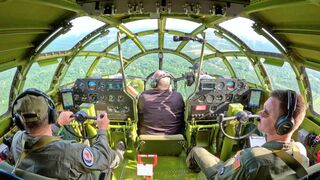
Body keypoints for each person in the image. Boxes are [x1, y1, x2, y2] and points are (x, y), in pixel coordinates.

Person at [186, 90, 309, 179]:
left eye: (266, 112)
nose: (260, 113)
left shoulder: (252, 158)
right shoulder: (302, 159)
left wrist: (237, 158)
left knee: (196, 150)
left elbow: (219, 178)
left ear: (283, 125)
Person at [9, 88, 124, 179]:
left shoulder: (17, 139)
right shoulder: (70, 151)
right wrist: (102, 129)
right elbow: (102, 158)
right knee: (109, 157)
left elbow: (38, 138)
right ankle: (119, 156)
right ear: (51, 115)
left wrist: (59, 123)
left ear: (19, 121)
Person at [138, 70, 185, 135]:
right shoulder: (178, 96)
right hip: (173, 141)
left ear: (154, 83)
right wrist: (170, 90)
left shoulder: (144, 96)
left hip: (146, 141)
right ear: (170, 85)